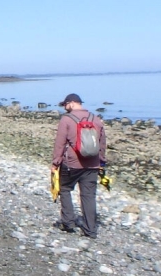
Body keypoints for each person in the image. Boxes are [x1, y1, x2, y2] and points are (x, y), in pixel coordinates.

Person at [52, 93, 108, 238]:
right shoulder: (96, 119)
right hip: (92, 164)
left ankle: (68, 223)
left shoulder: (66, 120)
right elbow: (102, 143)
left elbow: (60, 143)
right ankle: (90, 230)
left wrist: (55, 162)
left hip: (72, 163)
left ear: (71, 103)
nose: (65, 108)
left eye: (65, 105)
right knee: (89, 196)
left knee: (64, 189)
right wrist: (101, 161)